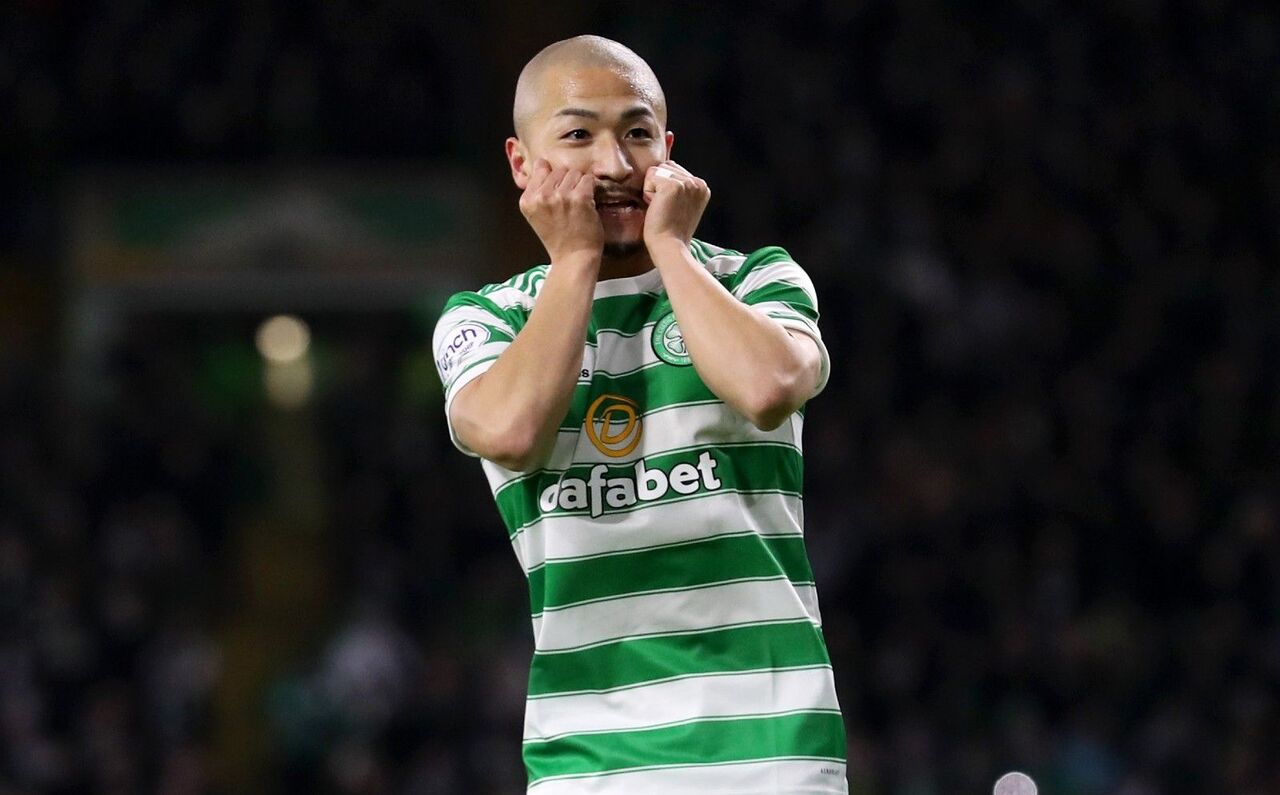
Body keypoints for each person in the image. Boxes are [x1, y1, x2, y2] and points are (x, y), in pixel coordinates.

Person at [432, 35, 847, 794]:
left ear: (669, 152)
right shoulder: (488, 317)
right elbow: (510, 431)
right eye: (578, 135)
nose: (616, 164)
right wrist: (575, 261)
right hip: (588, 762)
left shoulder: (757, 278)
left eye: (637, 133)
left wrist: (671, 249)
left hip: (773, 750)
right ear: (523, 164)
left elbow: (768, 388)